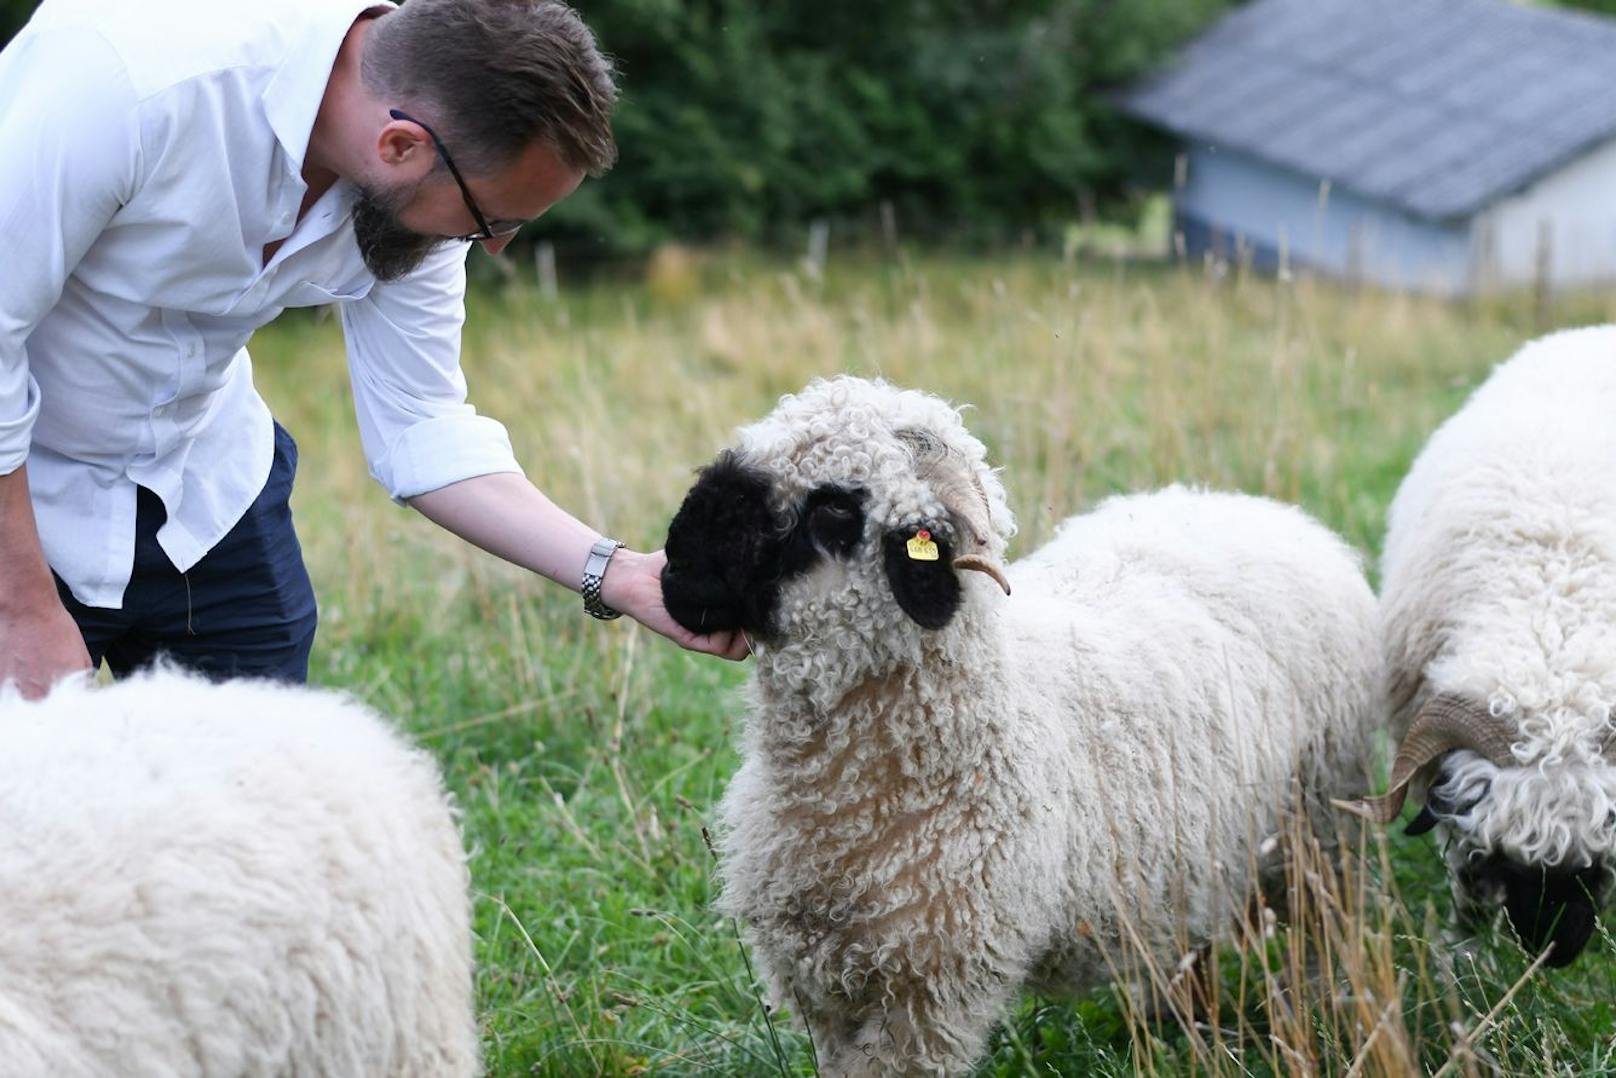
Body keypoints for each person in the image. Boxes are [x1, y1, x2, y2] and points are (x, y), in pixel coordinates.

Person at [0, 0, 750, 699]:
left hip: (205, 490)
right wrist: (23, 605)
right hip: (25, 499)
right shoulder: (120, 84)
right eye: (493, 220)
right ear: (400, 144)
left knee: (256, 795)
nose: (493, 249)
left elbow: (422, 426)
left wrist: (618, 575)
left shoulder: (425, 170)